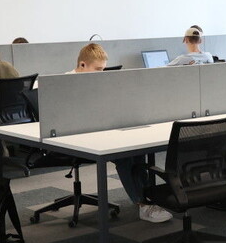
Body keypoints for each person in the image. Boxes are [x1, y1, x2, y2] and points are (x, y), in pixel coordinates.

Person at [71, 43, 171, 223]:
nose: (102, 74)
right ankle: (143, 204)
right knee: (124, 157)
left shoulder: (97, 82)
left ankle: (148, 198)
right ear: (82, 64)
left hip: (103, 131)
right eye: (98, 69)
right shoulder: (66, 84)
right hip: (76, 138)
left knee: (138, 151)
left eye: (104, 69)